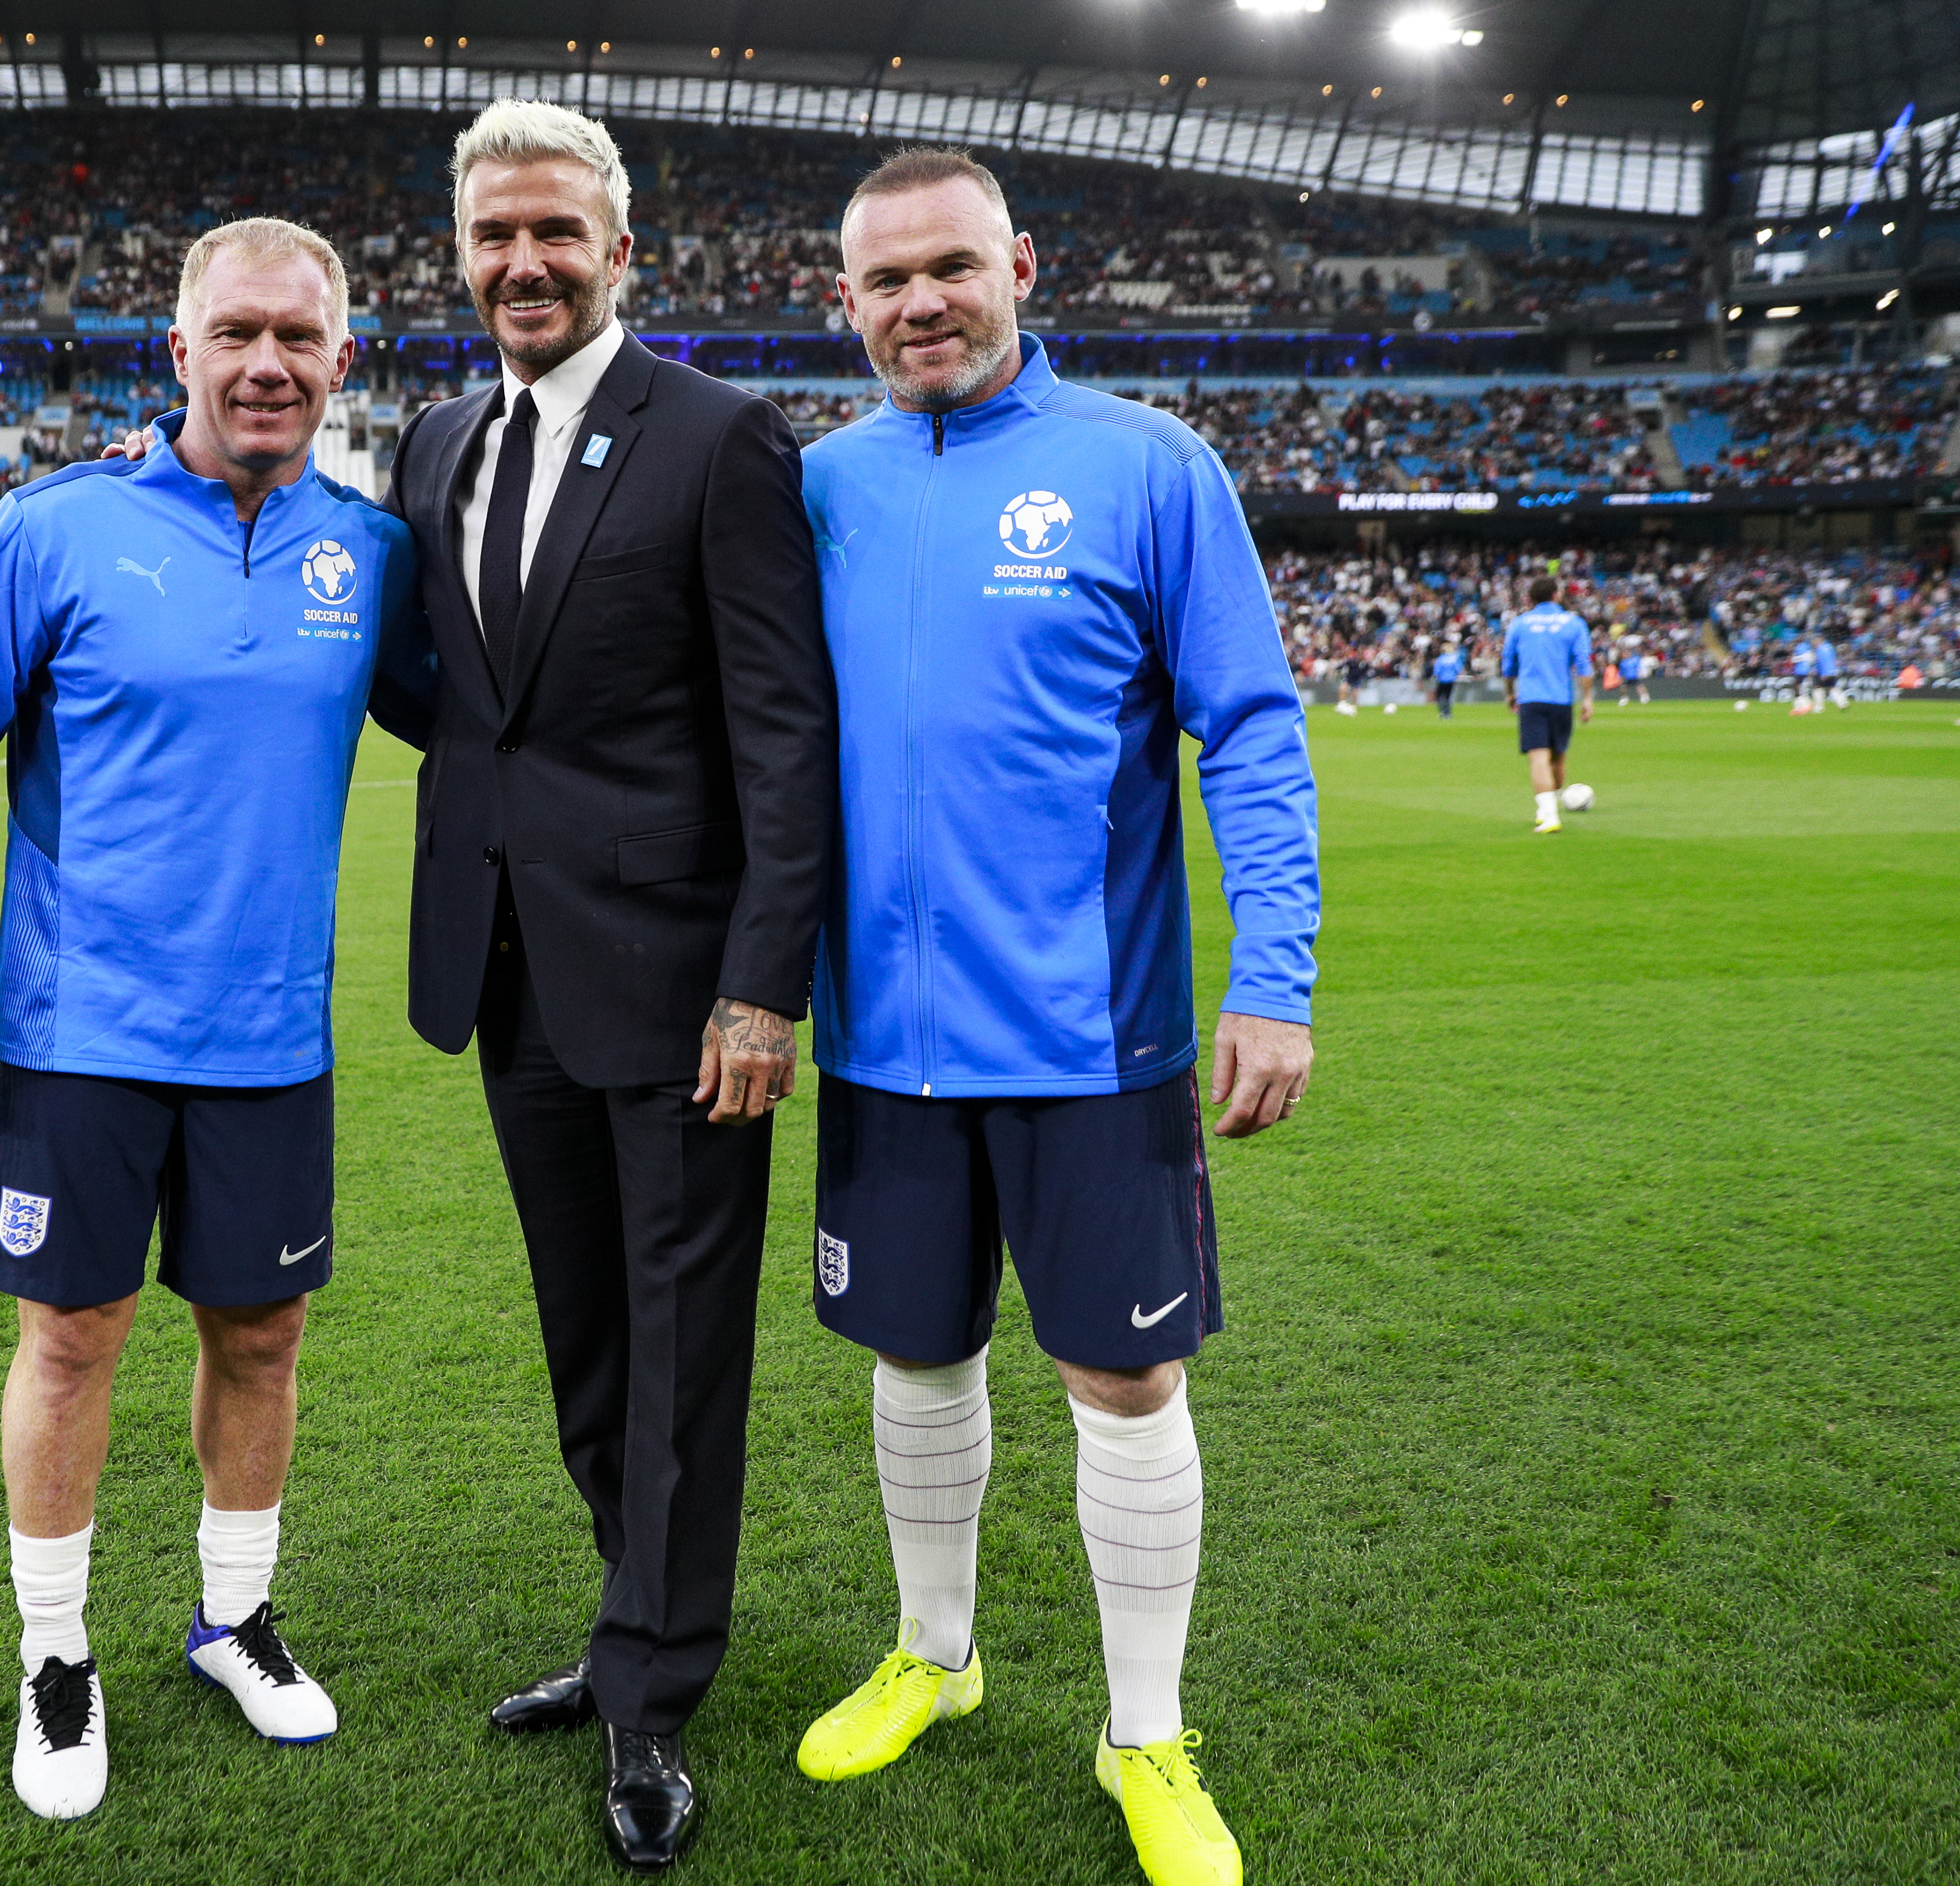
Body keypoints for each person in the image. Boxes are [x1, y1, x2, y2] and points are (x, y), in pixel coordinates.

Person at [791, 148, 1317, 1886]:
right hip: (875, 1035)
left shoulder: (1143, 466)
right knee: (914, 1350)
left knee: (1122, 1367)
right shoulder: (819, 487)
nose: (918, 303)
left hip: (1093, 1035)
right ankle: (935, 1655)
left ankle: (1142, 1728)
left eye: (948, 265)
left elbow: (1244, 727)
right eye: (884, 281)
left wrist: (1272, 978)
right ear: (841, 301)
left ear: (1018, 263)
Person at [0, 218, 432, 1823]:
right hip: (80, 1031)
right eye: (235, 334)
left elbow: (490, 714)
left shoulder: (368, 555)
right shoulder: (52, 528)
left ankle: (231, 1614)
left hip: (272, 1037)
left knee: (260, 1334)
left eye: (298, 339)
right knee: (70, 1335)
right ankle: (56, 1653)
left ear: (343, 359)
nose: (268, 364)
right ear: (174, 353)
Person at [382, 99, 832, 1872]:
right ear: (462, 252)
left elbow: (782, 740)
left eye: (554, 233)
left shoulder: (719, 439)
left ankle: (651, 1688)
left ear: (617, 250)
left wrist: (761, 984)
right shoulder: (431, 443)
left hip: (680, 988)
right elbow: (457, 695)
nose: (522, 263)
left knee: (679, 1351)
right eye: (493, 235)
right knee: (585, 1335)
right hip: (511, 975)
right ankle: (623, 1613)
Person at [1501, 574, 1592, 834]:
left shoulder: (1520, 624)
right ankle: (1548, 811)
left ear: (1530, 599)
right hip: (1562, 698)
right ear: (1557, 595)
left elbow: (1508, 665)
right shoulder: (1574, 623)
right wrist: (1587, 698)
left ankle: (1549, 815)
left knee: (1538, 758)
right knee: (1558, 759)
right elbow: (1584, 664)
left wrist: (1510, 693)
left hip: (1531, 698)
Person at [1431, 639, 1464, 718]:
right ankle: (1448, 712)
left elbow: (1437, 670)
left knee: (1440, 696)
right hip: (1451, 680)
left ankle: (1443, 712)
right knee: (1448, 697)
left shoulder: (1442, 658)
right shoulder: (1455, 658)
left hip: (1442, 680)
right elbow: (1459, 669)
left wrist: (1435, 675)